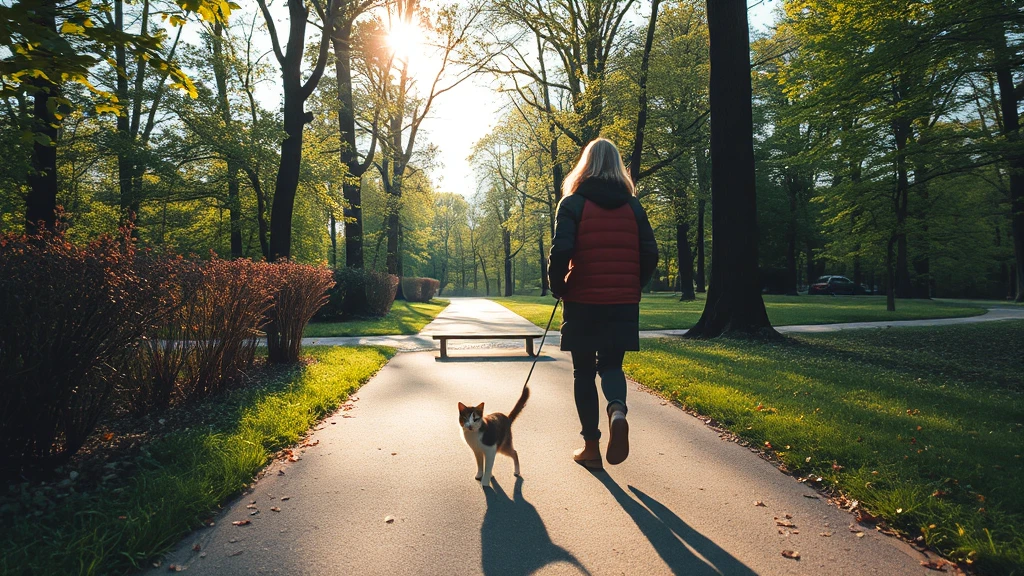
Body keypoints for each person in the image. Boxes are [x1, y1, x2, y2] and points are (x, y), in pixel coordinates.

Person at [548, 138, 658, 469]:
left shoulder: (572, 204)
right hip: (622, 302)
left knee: (583, 372)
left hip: (583, 300)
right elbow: (650, 253)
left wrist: (558, 287)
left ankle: (591, 448)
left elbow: (561, 252)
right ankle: (618, 410)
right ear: (617, 166)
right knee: (611, 366)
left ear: (585, 163)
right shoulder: (633, 207)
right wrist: (633, 284)